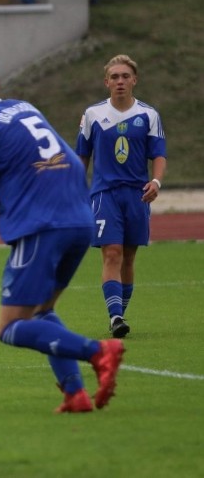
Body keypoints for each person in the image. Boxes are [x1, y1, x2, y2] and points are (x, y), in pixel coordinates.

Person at [0, 56, 125, 414]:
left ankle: (98, 351)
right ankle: (74, 393)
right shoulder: (23, 107)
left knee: (10, 327)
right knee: (42, 311)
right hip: (78, 220)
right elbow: (66, 160)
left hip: (42, 227)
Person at [76, 54, 167, 339]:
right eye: (114, 77)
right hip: (104, 194)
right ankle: (115, 316)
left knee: (128, 256)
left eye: (125, 76)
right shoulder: (93, 115)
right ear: (106, 82)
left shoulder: (148, 115)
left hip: (137, 195)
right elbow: (82, 156)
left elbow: (159, 155)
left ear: (134, 80)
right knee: (112, 252)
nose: (119, 81)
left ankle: (120, 313)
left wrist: (156, 181)